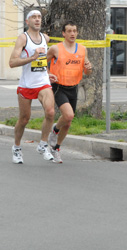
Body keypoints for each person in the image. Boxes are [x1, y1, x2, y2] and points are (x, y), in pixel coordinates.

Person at [9, 9, 55, 164]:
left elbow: (42, 60)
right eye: (34, 17)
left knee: (50, 112)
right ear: (27, 21)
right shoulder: (23, 38)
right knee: (24, 119)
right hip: (26, 84)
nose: (37, 20)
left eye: (39, 17)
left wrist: (47, 72)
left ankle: (43, 144)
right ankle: (16, 147)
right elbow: (12, 62)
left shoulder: (45, 38)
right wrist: (32, 57)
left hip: (43, 83)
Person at [46, 21, 92, 163]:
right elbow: (41, 63)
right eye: (69, 31)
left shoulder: (83, 49)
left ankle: (56, 148)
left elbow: (87, 71)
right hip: (59, 87)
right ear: (63, 33)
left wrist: (89, 68)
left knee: (68, 122)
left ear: (77, 33)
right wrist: (48, 74)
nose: (72, 33)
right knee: (69, 114)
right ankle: (54, 131)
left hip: (74, 87)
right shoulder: (55, 49)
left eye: (75, 31)